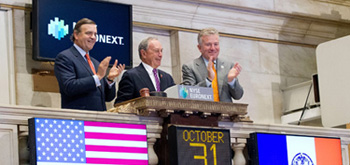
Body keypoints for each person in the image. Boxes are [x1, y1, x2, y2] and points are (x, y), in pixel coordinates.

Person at [54, 18, 125, 111]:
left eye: (95, 34)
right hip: (78, 119)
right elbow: (69, 87)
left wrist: (109, 80)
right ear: (76, 35)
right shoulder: (65, 57)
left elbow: (108, 98)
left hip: (99, 119)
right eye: (88, 33)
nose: (93, 37)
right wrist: (98, 76)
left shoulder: (95, 62)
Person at [182, 27, 243, 102]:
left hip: (225, 112)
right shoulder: (190, 67)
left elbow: (238, 95)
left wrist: (231, 81)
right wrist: (208, 80)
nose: (213, 48)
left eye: (216, 44)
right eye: (208, 44)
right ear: (199, 48)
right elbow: (187, 95)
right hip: (202, 112)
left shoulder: (228, 65)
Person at [114, 37, 175, 104]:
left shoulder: (168, 78)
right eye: (156, 51)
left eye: (161, 51)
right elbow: (120, 104)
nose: (160, 55)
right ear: (143, 53)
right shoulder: (131, 76)